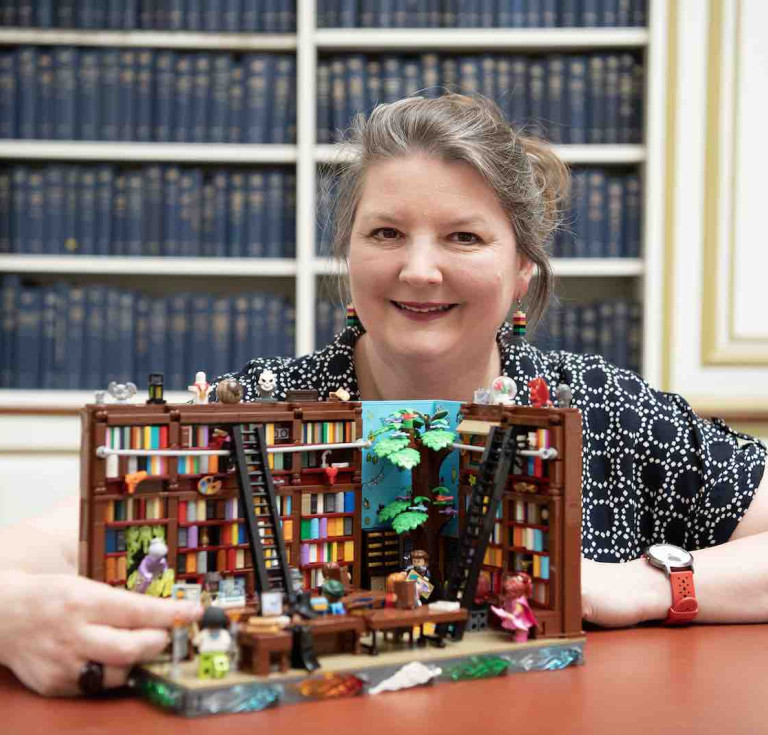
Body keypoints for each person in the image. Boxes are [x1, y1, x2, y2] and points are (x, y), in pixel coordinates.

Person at [1, 93, 765, 697]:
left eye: (463, 237)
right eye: (387, 233)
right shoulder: (260, 408)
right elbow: (36, 544)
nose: (419, 270)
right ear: (348, 255)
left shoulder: (606, 409)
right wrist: (11, 616)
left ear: (523, 269)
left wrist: (653, 583)